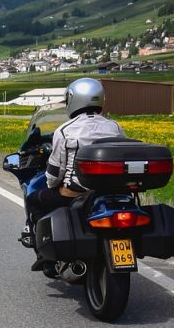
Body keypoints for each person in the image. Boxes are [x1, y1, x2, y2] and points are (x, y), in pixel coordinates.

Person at [24, 78, 125, 266]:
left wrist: (52, 185)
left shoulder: (65, 131)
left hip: (74, 194)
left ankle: (44, 254)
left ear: (74, 99)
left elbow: (54, 173)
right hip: (110, 193)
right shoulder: (115, 127)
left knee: (34, 199)